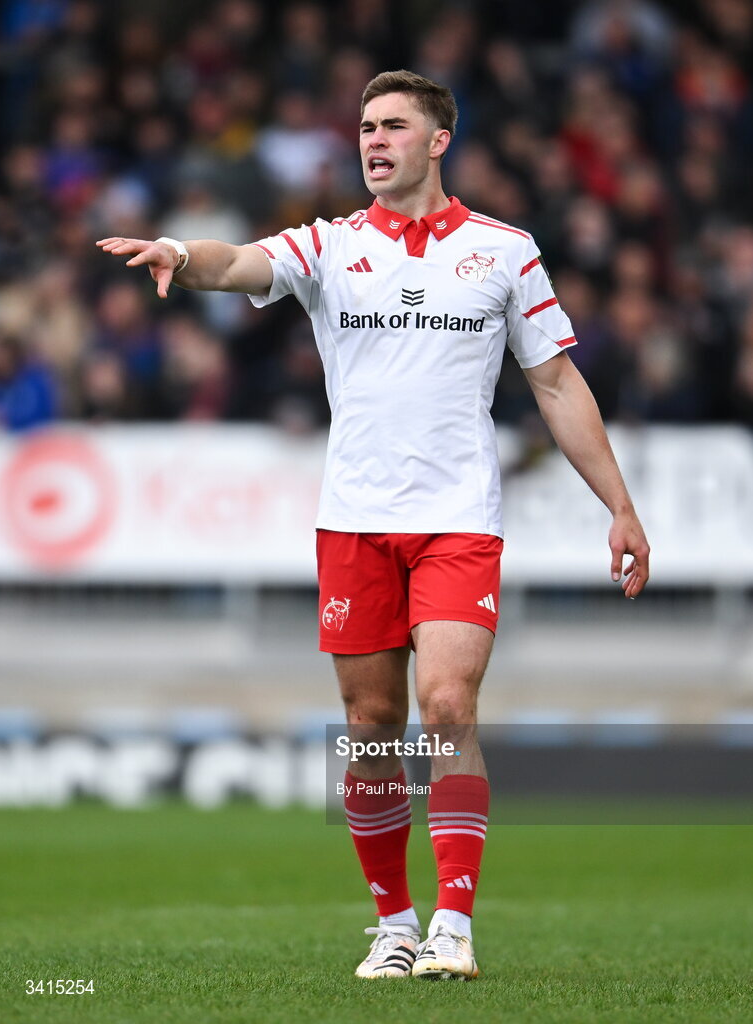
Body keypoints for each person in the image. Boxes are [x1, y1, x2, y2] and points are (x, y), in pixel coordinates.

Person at [97, 69, 650, 981]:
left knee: (445, 706)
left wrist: (621, 506)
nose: (373, 140)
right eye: (363, 127)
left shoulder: (505, 251)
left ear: (439, 140)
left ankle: (455, 927)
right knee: (370, 723)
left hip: (456, 520)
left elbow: (555, 381)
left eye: (393, 125)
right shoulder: (329, 245)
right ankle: (393, 923)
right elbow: (238, 262)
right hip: (353, 521)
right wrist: (177, 253)